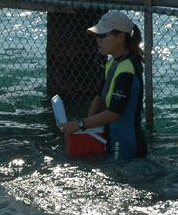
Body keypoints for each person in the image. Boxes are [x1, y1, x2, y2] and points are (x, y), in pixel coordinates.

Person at [59, 11, 147, 161]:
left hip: (127, 143)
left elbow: (114, 113)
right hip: (112, 136)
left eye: (102, 36)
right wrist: (86, 129)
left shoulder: (128, 68)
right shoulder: (113, 62)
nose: (97, 40)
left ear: (120, 37)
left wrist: (80, 124)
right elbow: (100, 97)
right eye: (96, 36)